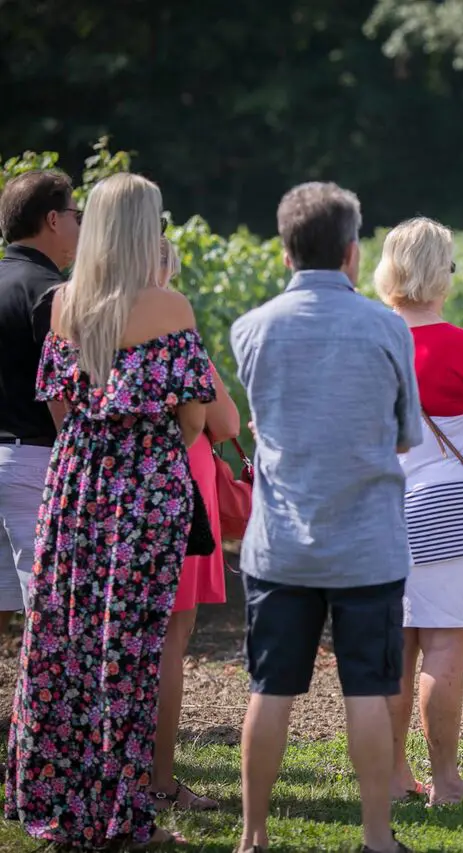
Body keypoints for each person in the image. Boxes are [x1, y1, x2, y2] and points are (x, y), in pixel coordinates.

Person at [5, 173, 214, 849]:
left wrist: (96, 450)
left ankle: (61, 804)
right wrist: (147, 459)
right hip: (144, 488)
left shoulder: (65, 303)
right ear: (143, 229)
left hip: (73, 482)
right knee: (130, 651)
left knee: (64, 641)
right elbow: (191, 415)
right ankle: (122, 814)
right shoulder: (169, 307)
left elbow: (60, 408)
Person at [230, 182, 424, 853]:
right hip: (367, 543)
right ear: (351, 251)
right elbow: (406, 434)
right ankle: (376, 836)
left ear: (285, 252)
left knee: (270, 687)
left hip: (280, 542)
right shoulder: (387, 327)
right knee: (368, 689)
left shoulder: (249, 328)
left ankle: (252, 834)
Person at [372, 217, 463, 806]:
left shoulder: (371, 340)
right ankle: (446, 781)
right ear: (439, 274)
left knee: (396, 645)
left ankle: (396, 775)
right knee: (445, 645)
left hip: (381, 510)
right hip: (451, 506)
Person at [149, 238, 242, 812]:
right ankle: (158, 779)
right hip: (179, 495)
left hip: (113, 494)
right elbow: (226, 420)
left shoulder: (88, 321)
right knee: (169, 643)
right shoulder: (174, 336)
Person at [0, 169, 80, 635]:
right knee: (49, 613)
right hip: (36, 463)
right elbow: (67, 391)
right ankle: (42, 711)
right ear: (53, 219)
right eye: (76, 214)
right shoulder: (51, 294)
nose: (79, 225)